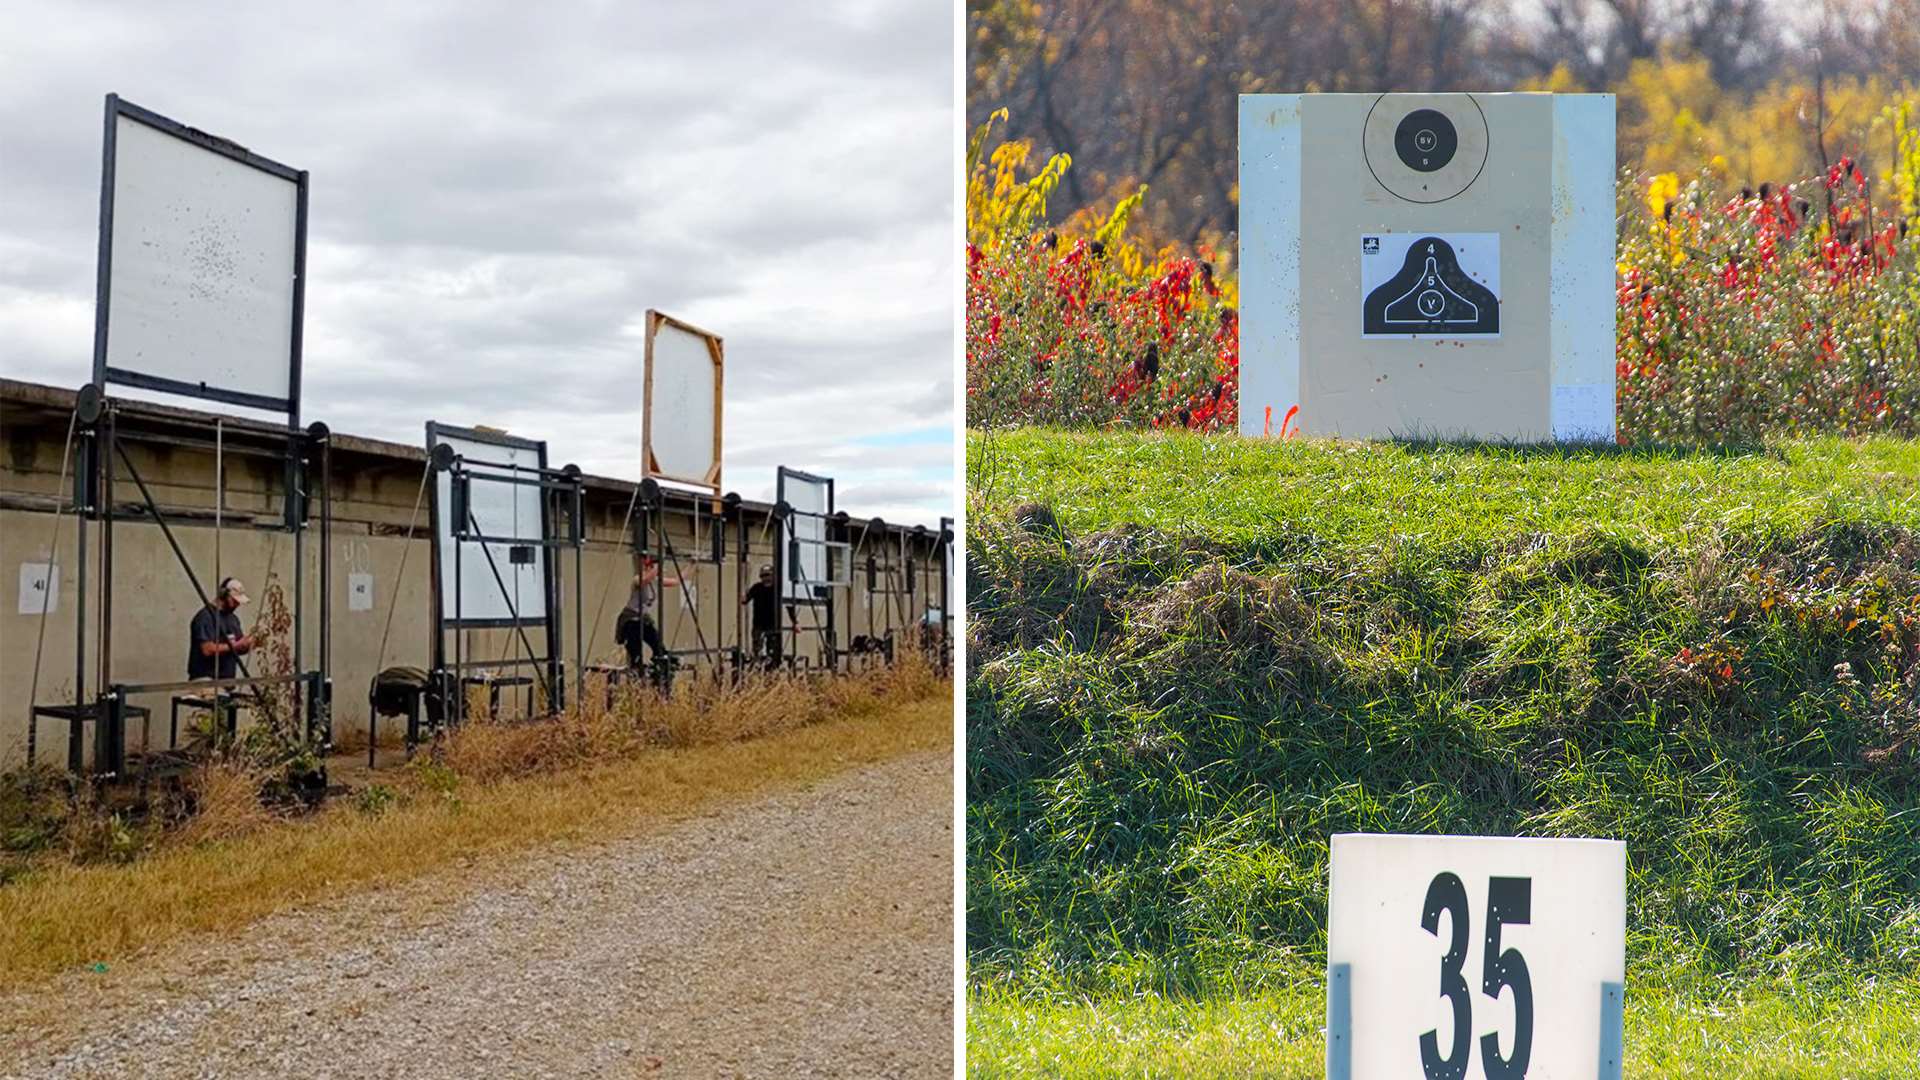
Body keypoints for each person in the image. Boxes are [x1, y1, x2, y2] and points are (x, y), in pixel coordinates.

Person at [188, 577, 254, 680]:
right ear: (224, 595)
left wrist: (247, 645)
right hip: (206, 681)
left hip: (227, 682)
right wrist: (236, 645)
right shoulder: (205, 617)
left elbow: (237, 648)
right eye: (234, 600)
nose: (238, 604)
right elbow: (207, 649)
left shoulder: (233, 619)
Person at [614, 559, 670, 677]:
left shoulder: (654, 581)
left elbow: (676, 581)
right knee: (636, 653)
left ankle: (659, 670)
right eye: (653, 568)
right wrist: (658, 566)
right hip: (631, 620)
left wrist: (692, 566)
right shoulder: (637, 579)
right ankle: (637, 676)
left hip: (643, 619)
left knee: (659, 646)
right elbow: (644, 580)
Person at [741, 563, 796, 669]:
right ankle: (757, 670)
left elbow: (789, 606)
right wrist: (744, 598)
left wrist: (795, 622)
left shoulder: (779, 589)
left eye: (768, 575)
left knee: (773, 654)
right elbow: (745, 600)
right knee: (757, 652)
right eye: (763, 576)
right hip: (758, 625)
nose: (766, 578)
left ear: (773, 576)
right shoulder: (756, 588)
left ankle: (771, 675)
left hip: (774, 626)